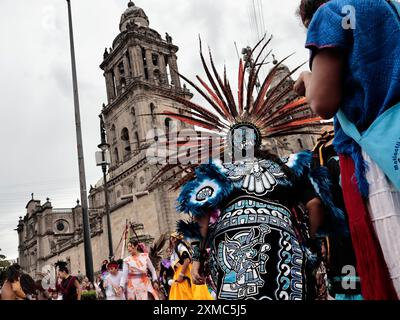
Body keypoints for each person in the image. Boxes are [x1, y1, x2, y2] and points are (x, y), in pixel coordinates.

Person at [148, 41, 347, 300]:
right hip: (284, 249)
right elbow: (315, 205)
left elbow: (200, 214)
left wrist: (197, 259)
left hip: (233, 257)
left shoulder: (220, 170)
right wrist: (311, 245)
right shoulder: (289, 166)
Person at [294, 0, 400, 299]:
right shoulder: (389, 8)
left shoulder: (332, 12)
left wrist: (307, 79)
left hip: (379, 158)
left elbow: (322, 103)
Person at [168, 232, 213, 300]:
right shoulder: (176, 249)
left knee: (187, 293)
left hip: (184, 273)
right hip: (178, 273)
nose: (170, 240)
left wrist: (181, 274)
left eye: (172, 238)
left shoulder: (180, 247)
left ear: (175, 239)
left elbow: (187, 260)